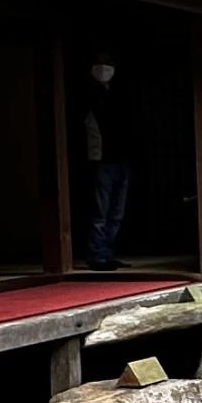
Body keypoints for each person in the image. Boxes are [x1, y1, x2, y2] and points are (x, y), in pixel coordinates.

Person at [81, 51, 135, 269]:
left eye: (108, 63)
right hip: (100, 159)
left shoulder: (119, 92)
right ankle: (96, 255)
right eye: (99, 63)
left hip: (121, 156)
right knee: (100, 211)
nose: (104, 68)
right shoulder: (86, 94)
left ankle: (107, 251)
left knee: (116, 212)